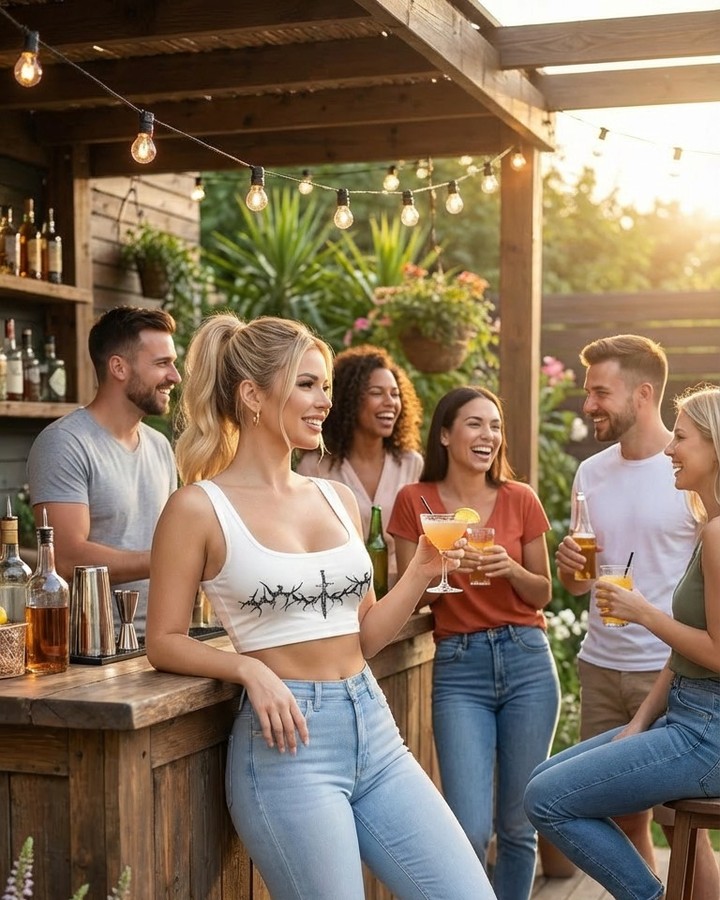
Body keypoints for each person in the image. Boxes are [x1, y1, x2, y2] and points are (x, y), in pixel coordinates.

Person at [145, 314, 496, 900]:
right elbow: (164, 639)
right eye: (307, 384)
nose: (323, 402)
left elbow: (362, 634)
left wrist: (423, 572)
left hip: (374, 728)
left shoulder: (338, 498)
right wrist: (248, 667)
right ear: (253, 395)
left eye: (325, 386)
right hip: (289, 750)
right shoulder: (196, 509)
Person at [525, 383, 720, 900]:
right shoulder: (709, 528)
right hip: (686, 713)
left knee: (546, 798)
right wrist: (637, 724)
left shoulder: (719, 536)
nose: (670, 450)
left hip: (709, 733)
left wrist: (643, 613)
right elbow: (685, 658)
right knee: (544, 779)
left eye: (681, 439)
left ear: (715, 447)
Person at [388, 385, 559, 900]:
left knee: (517, 827)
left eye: (495, 425)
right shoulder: (413, 502)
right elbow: (408, 595)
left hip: (527, 659)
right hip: (459, 666)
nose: (488, 435)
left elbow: (544, 593)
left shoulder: (519, 499)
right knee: (466, 828)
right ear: (445, 434)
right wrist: (430, 569)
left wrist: (509, 568)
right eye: (474, 423)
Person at [27, 306, 180, 636]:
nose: (175, 376)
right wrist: (175, 558)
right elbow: (66, 558)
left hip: (160, 641)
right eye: (162, 363)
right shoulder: (64, 443)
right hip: (91, 651)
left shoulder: (159, 447)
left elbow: (169, 537)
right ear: (119, 367)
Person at [295, 344, 423, 586]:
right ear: (350, 399)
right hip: (339, 591)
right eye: (377, 393)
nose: (390, 402)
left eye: (395, 394)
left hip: (400, 592)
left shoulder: (410, 463)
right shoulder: (317, 466)